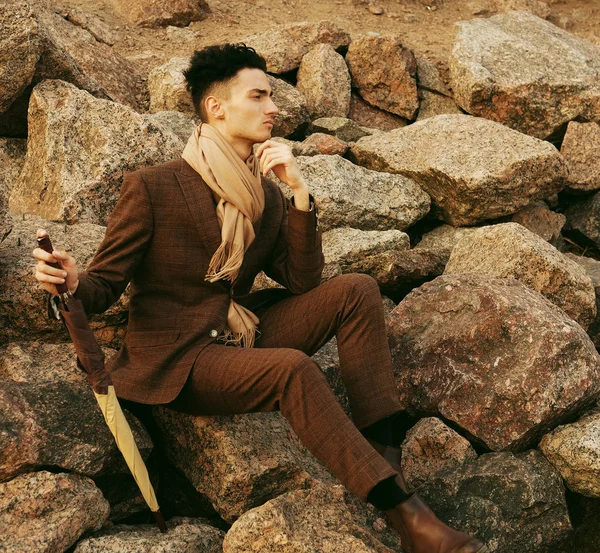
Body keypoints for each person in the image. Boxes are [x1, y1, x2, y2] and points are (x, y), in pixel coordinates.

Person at [33, 43, 488, 553]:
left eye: (272, 97)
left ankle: (384, 461)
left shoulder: (265, 194)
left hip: (240, 332)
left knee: (357, 289)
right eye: (260, 96)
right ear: (216, 107)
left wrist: (297, 195)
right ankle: (409, 518)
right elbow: (103, 287)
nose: (274, 108)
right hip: (182, 358)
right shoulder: (155, 187)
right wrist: (71, 279)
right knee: (291, 369)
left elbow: (301, 282)